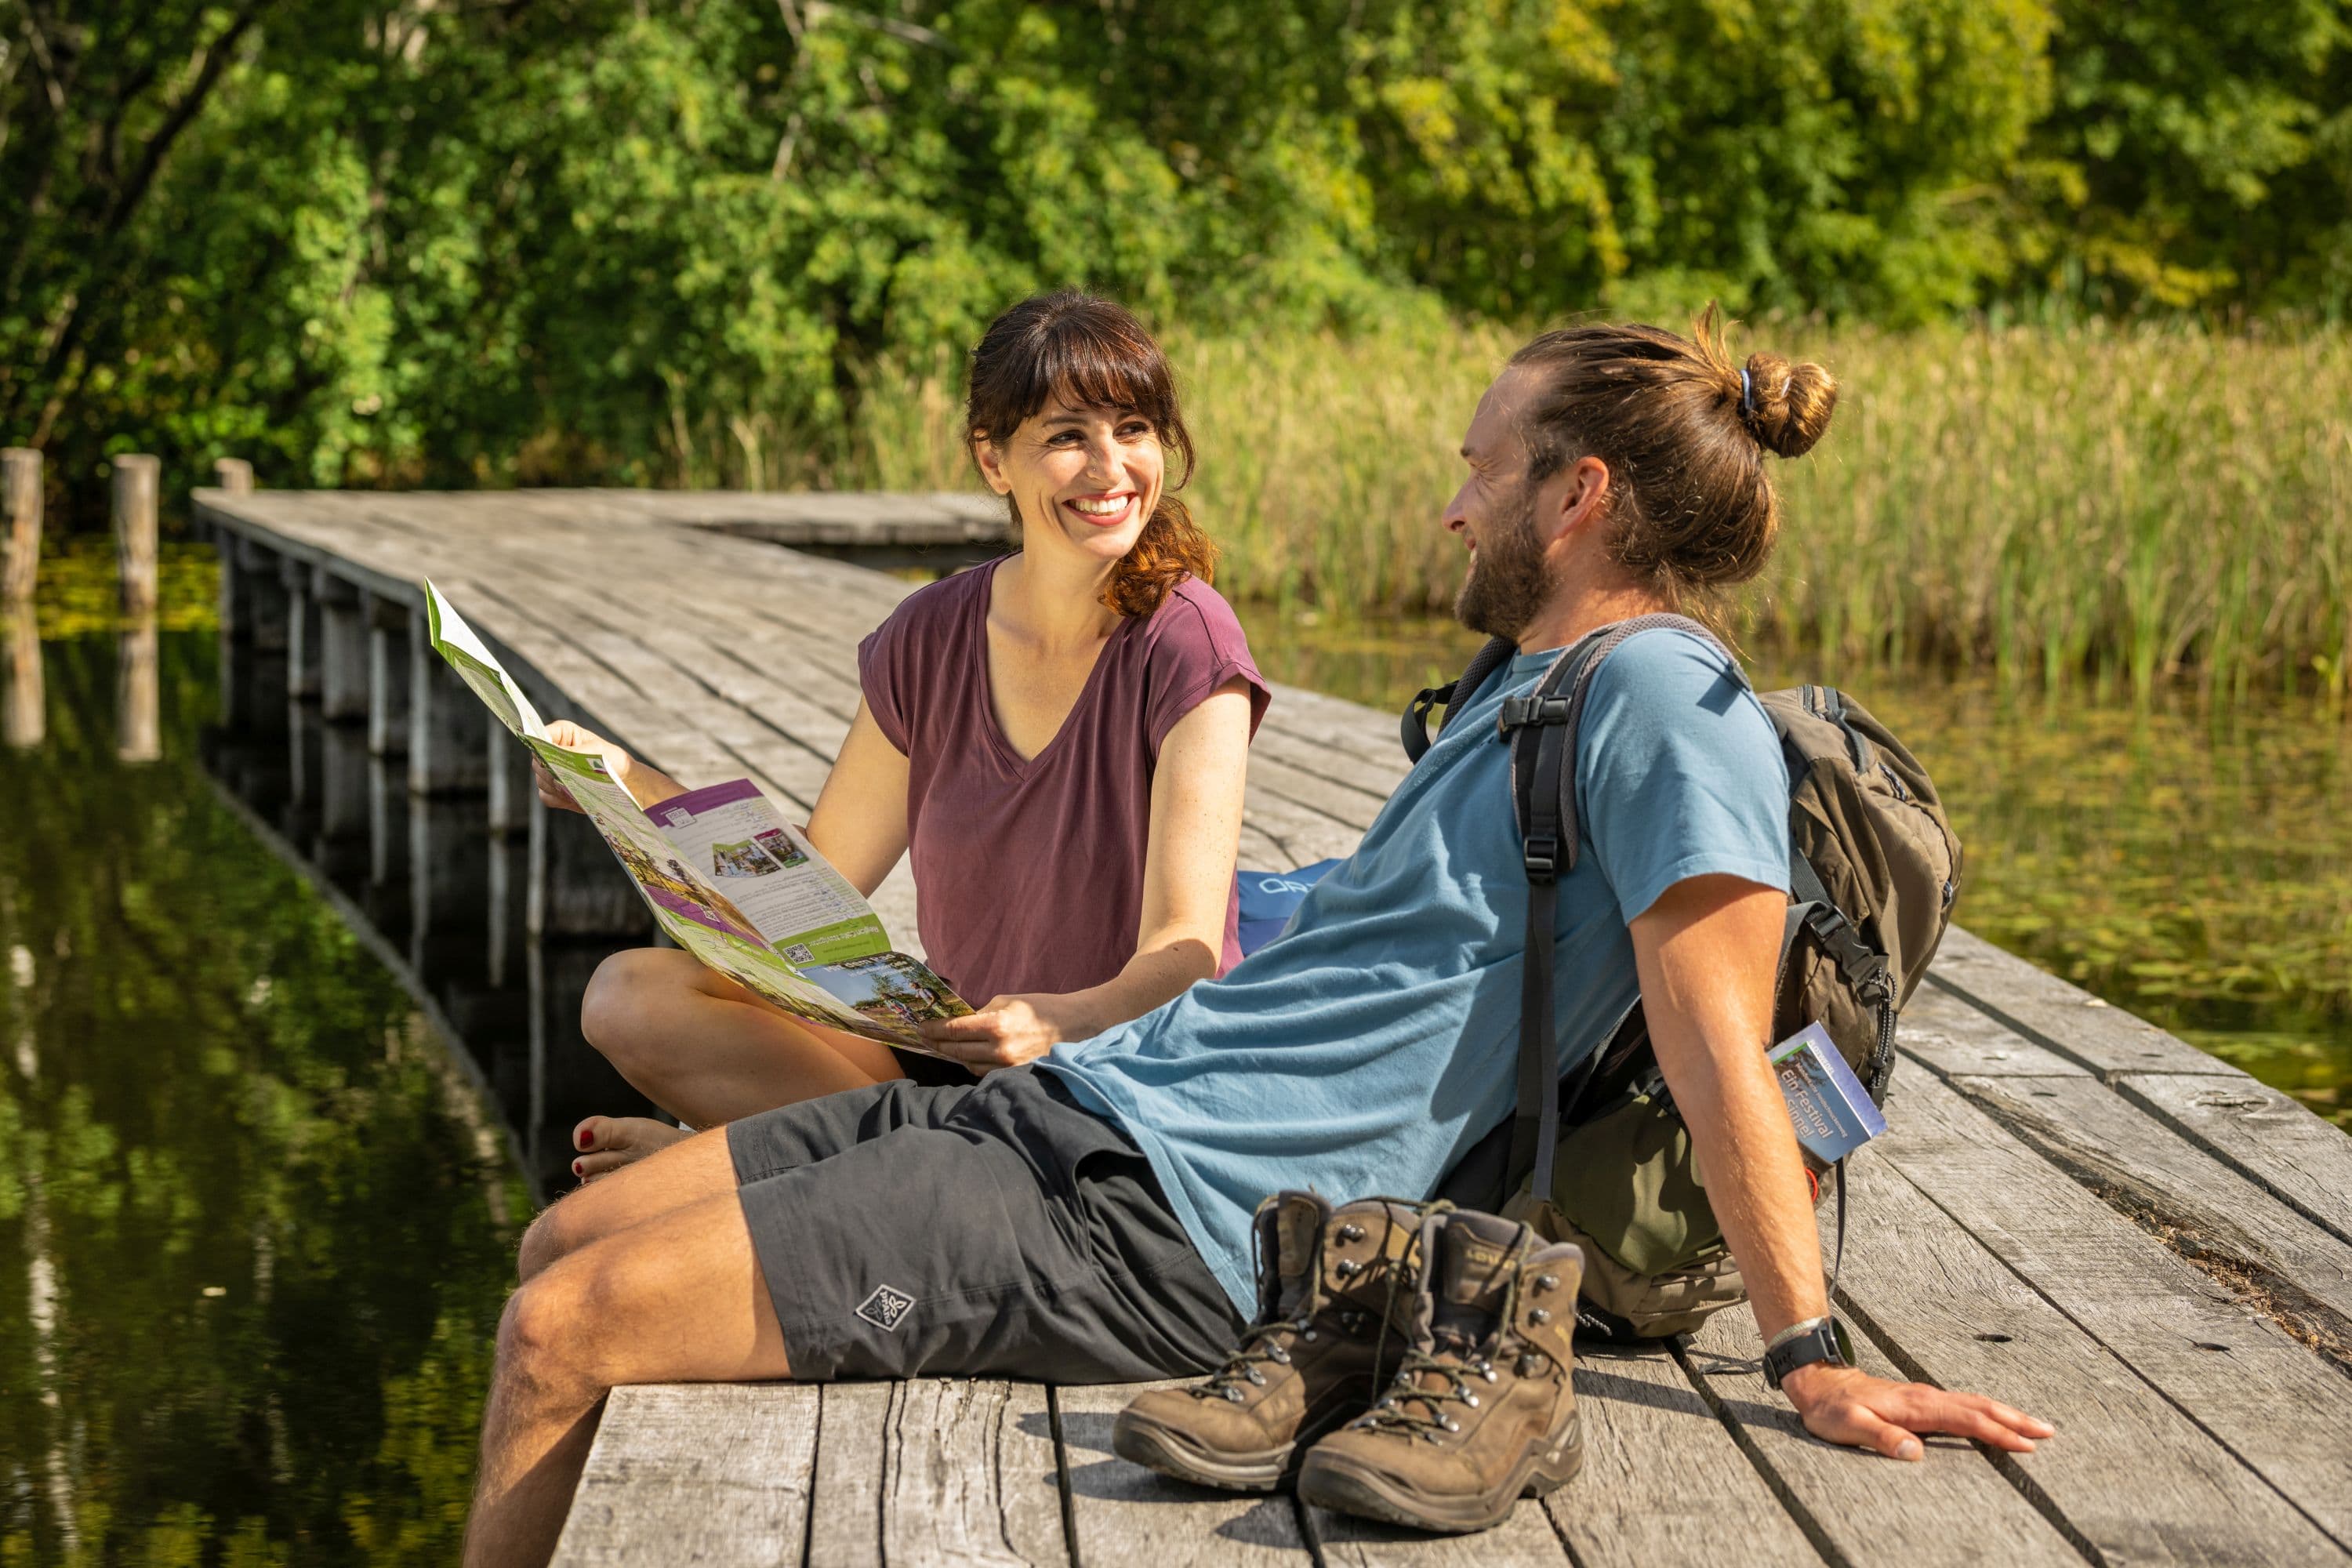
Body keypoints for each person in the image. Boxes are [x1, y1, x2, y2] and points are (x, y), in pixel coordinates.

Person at [461, 315, 2052, 1566]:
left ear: (1578, 499)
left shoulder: (1668, 705)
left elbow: (1717, 1049)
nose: (1451, 502)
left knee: (562, 1329)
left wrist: (1812, 1350)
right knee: (553, 1251)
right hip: (1082, 1111)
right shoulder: (1524, 689)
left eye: (1481, 468)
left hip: (1172, 1219)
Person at [535, 291, 1269, 1176]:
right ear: (994, 460)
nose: (1111, 467)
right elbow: (814, 890)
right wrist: (626, 780)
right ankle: (812, 1163)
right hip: (960, 1055)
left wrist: (1057, 1018)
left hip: (1112, 1077)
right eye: (1068, 435)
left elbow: (1187, 948)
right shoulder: (932, 633)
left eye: (1136, 427)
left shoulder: (1188, 638)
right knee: (629, 995)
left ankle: (735, 1163)